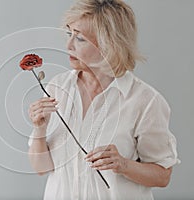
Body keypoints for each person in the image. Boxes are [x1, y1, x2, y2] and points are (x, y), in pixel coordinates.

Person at [27, 0, 180, 199]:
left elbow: (163, 176)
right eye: (69, 34)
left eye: (80, 38)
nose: (69, 45)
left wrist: (123, 165)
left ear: (110, 43)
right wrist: (39, 128)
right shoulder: (57, 87)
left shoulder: (145, 100)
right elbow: (41, 168)